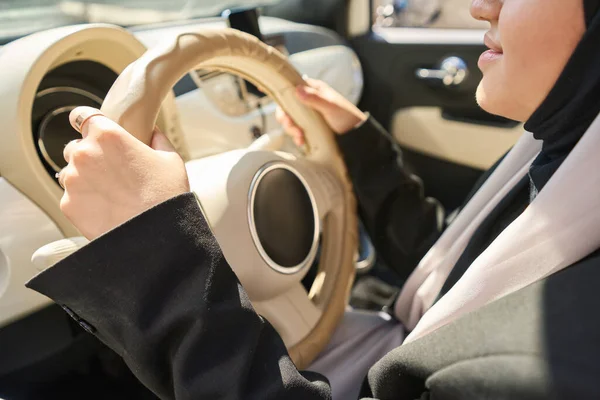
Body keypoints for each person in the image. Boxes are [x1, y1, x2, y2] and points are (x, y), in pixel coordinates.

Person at [26, 0, 600, 399]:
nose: (480, 7)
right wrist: (356, 147)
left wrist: (155, 251)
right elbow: (459, 279)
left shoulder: (551, 363)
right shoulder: (570, 153)